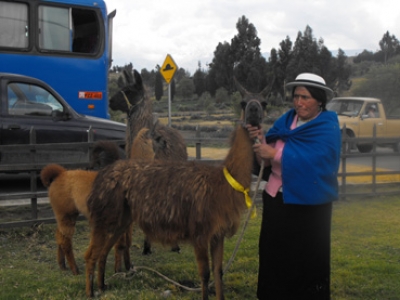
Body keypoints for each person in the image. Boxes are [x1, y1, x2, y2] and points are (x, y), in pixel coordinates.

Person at [247, 73, 341, 300]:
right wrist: (261, 143)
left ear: (319, 100)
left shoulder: (326, 127)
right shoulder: (284, 122)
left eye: (305, 97)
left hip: (310, 208)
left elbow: (320, 162)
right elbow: (265, 164)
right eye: (296, 96)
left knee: (305, 260)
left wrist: (277, 153)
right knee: (274, 256)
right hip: (278, 203)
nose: (299, 102)